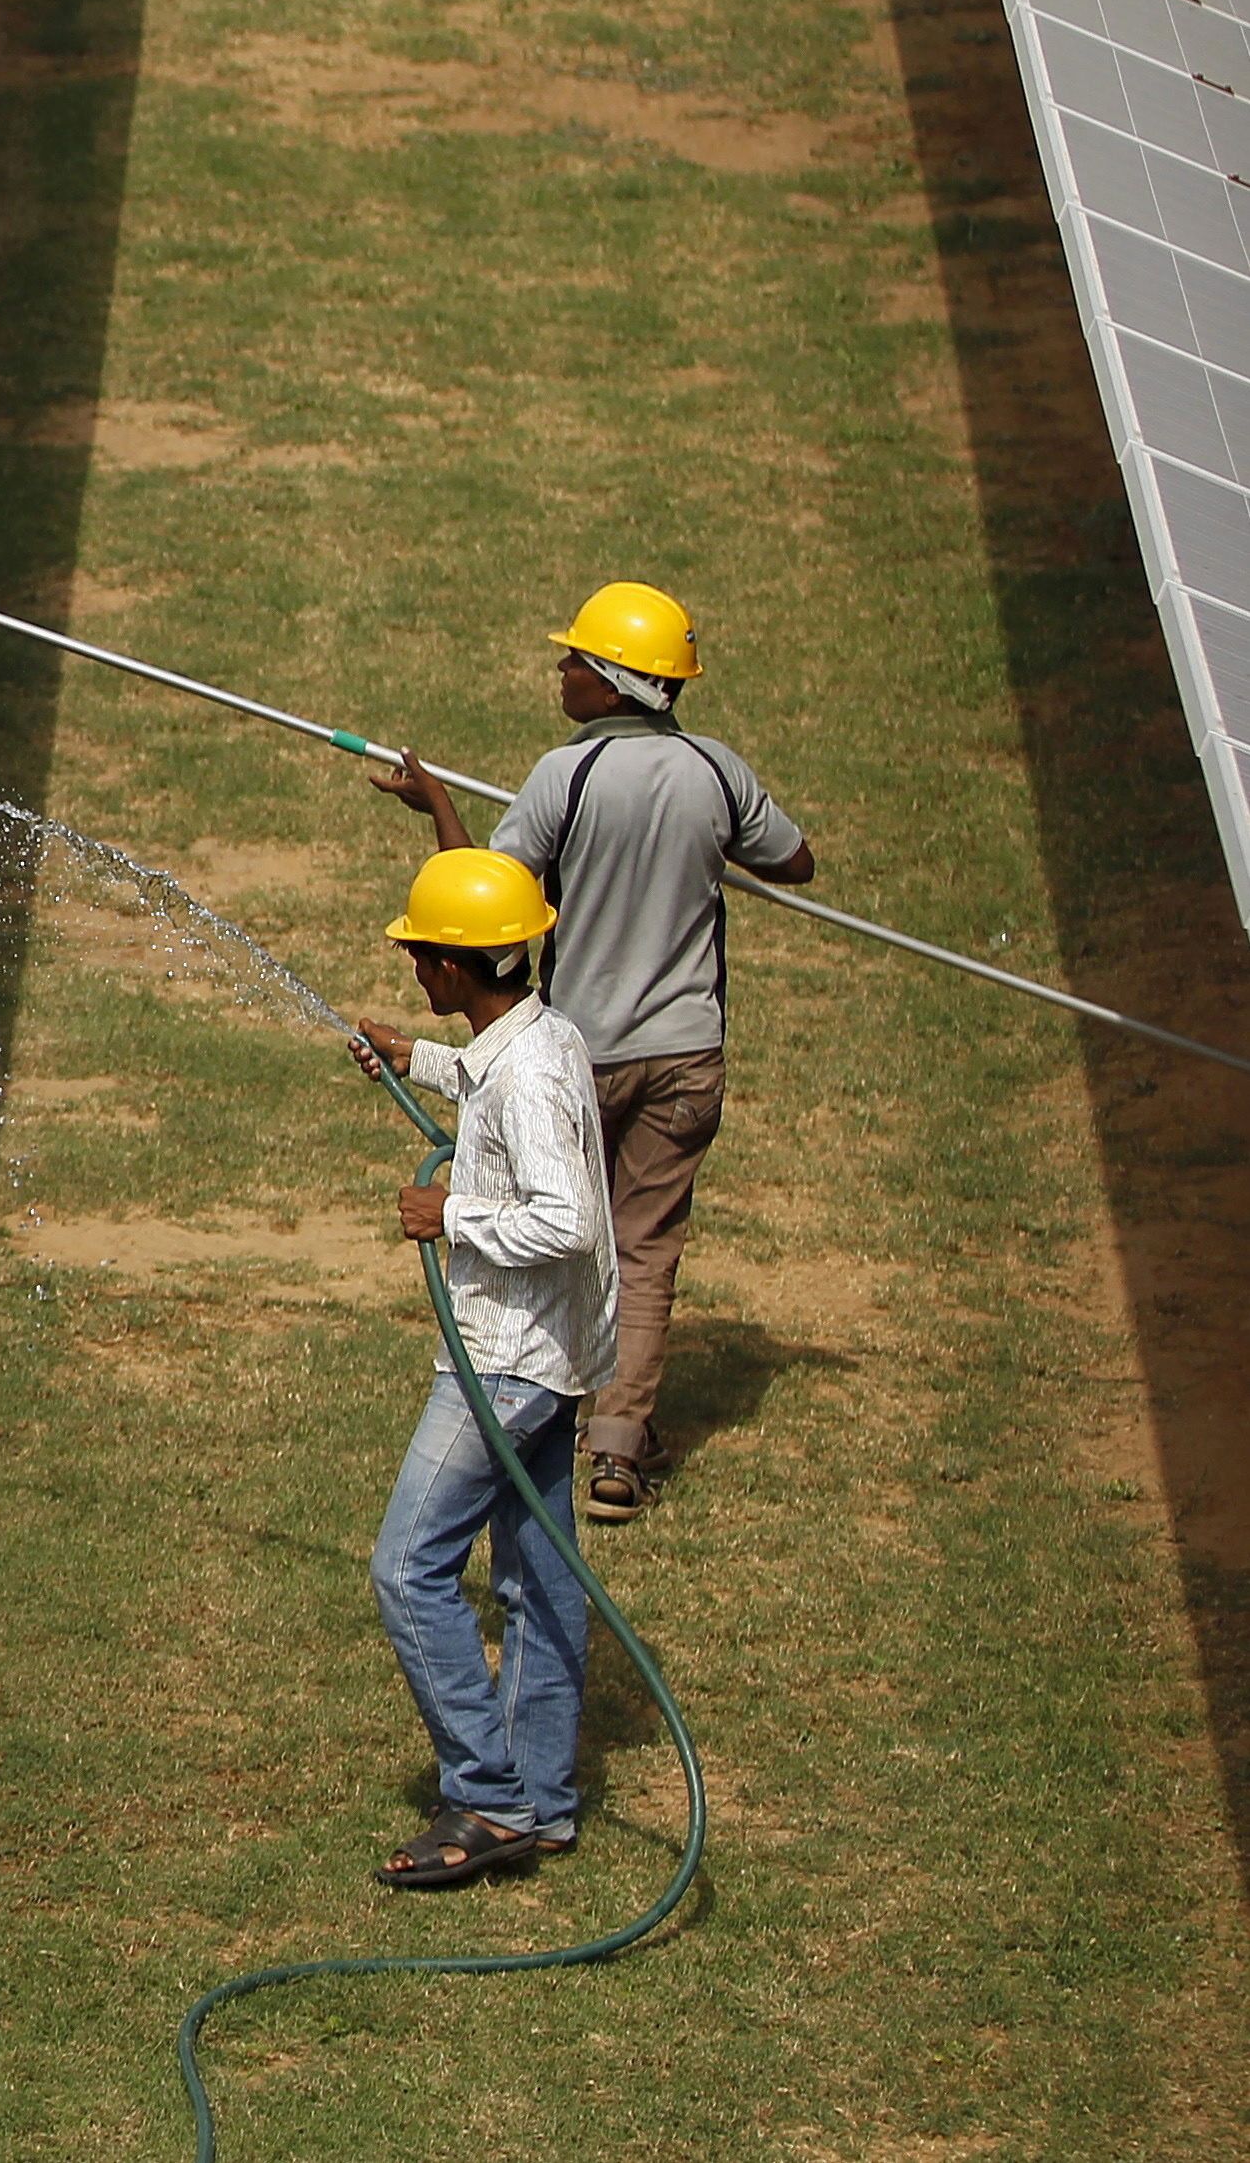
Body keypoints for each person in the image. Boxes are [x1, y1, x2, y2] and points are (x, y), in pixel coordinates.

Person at [369, 579, 810, 1523]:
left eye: (573, 658)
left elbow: (487, 896)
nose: (559, 669)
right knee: (642, 1247)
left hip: (577, 1055)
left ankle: (546, 1406)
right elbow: (793, 859)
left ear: (613, 682)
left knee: (566, 1228)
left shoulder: (563, 777)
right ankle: (615, 1449)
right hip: (687, 1055)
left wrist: (437, 805)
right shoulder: (714, 772)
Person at [347, 847, 618, 1888]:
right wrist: (412, 1054)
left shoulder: (531, 1077)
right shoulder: (538, 1035)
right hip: (551, 1367)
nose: (413, 963)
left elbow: (566, 1217)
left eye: (420, 953)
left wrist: (446, 1213)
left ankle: (489, 1792)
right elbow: (488, 1078)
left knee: (406, 1567)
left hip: (499, 1369)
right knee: (537, 1580)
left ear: (457, 968)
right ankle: (542, 1803)